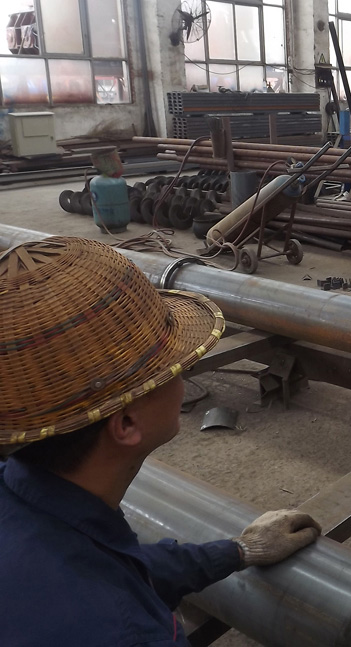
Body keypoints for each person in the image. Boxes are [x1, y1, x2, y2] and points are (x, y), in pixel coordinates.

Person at [0, 236, 322, 647]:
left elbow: (120, 567)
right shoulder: (125, 632)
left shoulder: (27, 508)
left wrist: (238, 551)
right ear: (126, 423)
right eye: (172, 368)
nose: (183, 375)